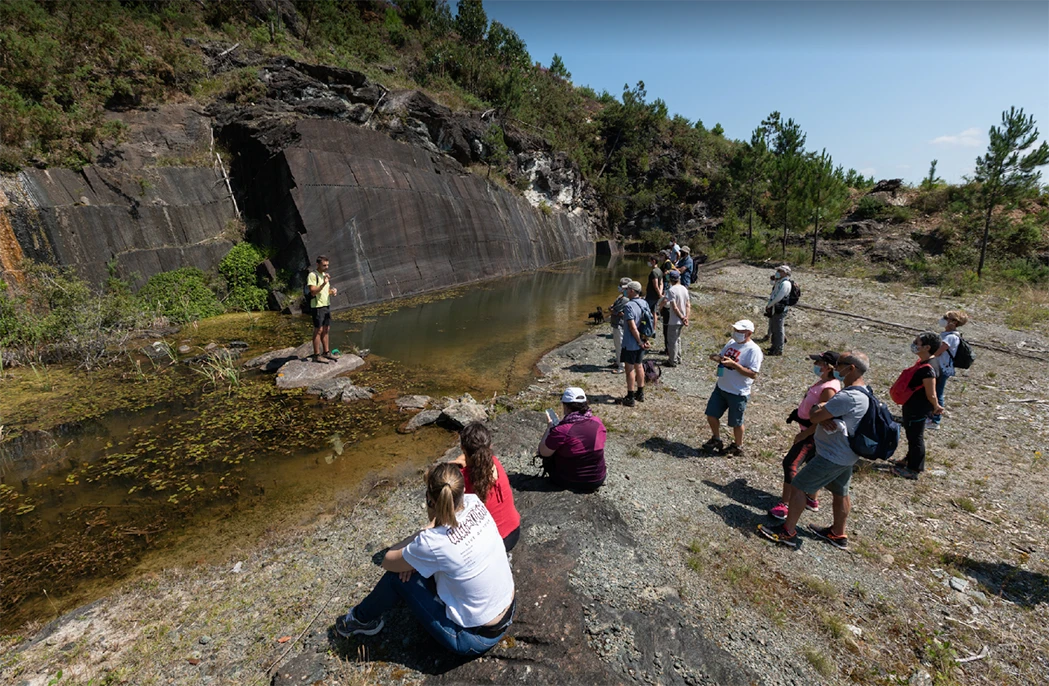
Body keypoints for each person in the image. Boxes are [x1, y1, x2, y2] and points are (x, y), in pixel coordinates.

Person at [335, 463, 515, 655]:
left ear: (430, 500)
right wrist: (419, 553)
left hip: (474, 638)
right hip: (508, 608)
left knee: (397, 577)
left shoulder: (432, 542)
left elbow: (388, 560)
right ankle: (416, 565)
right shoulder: (474, 502)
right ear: (461, 491)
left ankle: (358, 620)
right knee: (424, 563)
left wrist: (419, 541)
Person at [758, 351, 871, 550]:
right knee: (841, 492)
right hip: (846, 454)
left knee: (800, 485)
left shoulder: (847, 396)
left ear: (851, 368)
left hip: (832, 454)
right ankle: (838, 533)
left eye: (840, 364)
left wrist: (819, 408)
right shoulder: (865, 391)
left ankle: (788, 532)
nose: (836, 368)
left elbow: (815, 416)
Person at [768, 351, 842, 520]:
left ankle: (786, 504)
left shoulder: (829, 388)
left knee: (790, 464)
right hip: (808, 431)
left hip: (811, 434)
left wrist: (804, 435)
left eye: (819, 362)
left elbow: (824, 418)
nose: (815, 365)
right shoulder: (824, 382)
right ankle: (811, 499)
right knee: (810, 463)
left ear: (828, 367)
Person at [450, 422, 521, 552]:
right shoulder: (494, 462)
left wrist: (453, 464)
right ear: (490, 446)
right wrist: (460, 460)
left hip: (493, 544)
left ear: (462, 448)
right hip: (514, 532)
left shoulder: (461, 479)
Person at [702, 320, 763, 457]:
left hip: (738, 391)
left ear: (749, 333)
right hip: (722, 387)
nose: (737, 333)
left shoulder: (753, 350)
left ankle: (738, 446)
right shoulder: (731, 343)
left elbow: (753, 374)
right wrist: (717, 358)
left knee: (736, 422)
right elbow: (723, 357)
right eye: (736, 330)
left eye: (740, 331)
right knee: (711, 414)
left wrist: (735, 365)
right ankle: (716, 438)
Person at [893, 332, 944, 480]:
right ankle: (908, 459)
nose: (914, 344)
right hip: (913, 405)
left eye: (917, 342)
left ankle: (914, 469)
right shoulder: (926, 363)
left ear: (927, 347)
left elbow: (931, 393)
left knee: (916, 437)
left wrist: (936, 406)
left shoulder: (928, 368)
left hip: (918, 408)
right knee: (912, 434)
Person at [538, 387, 607, 491]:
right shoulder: (597, 422)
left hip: (572, 480)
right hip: (598, 479)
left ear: (566, 406)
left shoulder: (562, 430)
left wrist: (549, 428)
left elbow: (543, 452)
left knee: (552, 450)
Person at [929, 310, 969, 429]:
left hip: (941, 369)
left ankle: (935, 420)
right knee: (932, 391)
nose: (943, 319)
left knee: (937, 393)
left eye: (946, 318)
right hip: (938, 367)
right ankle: (929, 416)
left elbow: (938, 351)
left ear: (954, 322)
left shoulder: (951, 337)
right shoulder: (946, 334)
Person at [618, 281, 652, 407]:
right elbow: (647, 322)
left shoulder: (629, 306)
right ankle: (640, 393)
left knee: (630, 369)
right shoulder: (644, 302)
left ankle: (630, 396)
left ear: (632, 291)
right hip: (642, 341)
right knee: (639, 366)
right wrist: (644, 340)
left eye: (627, 289)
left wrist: (638, 341)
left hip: (631, 343)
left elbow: (632, 327)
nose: (626, 291)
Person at [307, 255, 339, 363]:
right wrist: (323, 283)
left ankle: (326, 352)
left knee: (326, 329)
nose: (326, 267)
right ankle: (316, 355)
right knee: (318, 330)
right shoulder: (312, 275)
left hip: (326, 305)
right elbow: (313, 291)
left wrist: (332, 291)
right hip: (317, 306)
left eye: (327, 265)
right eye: (324, 265)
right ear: (318, 264)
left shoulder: (325, 275)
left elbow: (326, 290)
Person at [656, 270, 690, 367]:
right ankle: (678, 358)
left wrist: (682, 317)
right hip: (682, 319)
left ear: (670, 279)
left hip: (675, 319)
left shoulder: (671, 290)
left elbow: (674, 307)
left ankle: (672, 361)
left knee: (672, 341)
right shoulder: (684, 289)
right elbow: (688, 305)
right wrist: (686, 317)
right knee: (678, 339)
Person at [762, 265, 792, 356]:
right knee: (774, 328)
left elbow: (778, 297)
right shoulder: (780, 282)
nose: (778, 272)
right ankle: (773, 347)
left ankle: (778, 349)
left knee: (778, 329)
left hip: (779, 309)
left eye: (780, 271)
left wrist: (769, 305)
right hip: (775, 308)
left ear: (785, 273)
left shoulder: (785, 284)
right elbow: (773, 285)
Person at [608, 277, 632, 374]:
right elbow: (614, 307)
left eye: (621, 286)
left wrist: (612, 310)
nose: (619, 287)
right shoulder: (621, 297)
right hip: (616, 324)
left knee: (620, 346)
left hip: (620, 325)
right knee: (617, 344)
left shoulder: (625, 299)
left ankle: (621, 366)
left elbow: (616, 310)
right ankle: (618, 361)